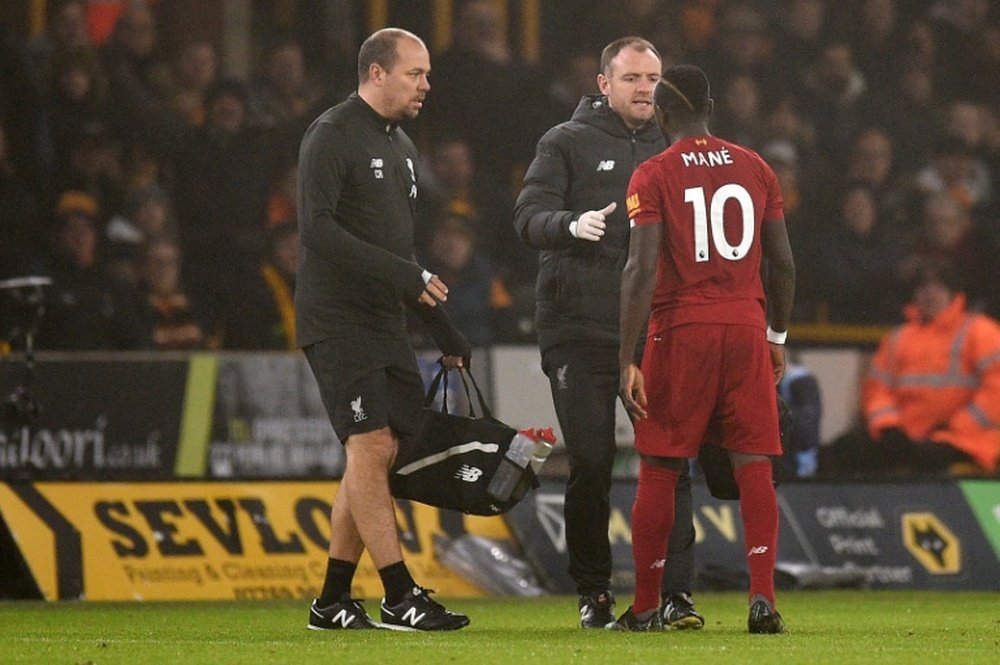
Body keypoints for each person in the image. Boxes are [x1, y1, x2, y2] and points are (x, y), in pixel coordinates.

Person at [513, 37, 704, 630]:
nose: (645, 88)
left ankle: (677, 596)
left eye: (652, 79)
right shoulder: (563, 142)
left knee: (671, 462)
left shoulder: (670, 146)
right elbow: (525, 218)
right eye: (632, 79)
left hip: (653, 332)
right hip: (578, 327)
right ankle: (594, 591)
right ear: (603, 84)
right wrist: (571, 223)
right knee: (592, 461)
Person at [295, 28, 471, 632]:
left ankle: (332, 601)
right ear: (376, 73)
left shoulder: (400, 145)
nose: (426, 84)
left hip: (385, 322)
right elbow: (315, 229)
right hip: (338, 320)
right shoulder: (331, 134)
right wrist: (403, 273)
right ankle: (399, 593)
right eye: (414, 73)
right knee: (369, 448)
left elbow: (401, 252)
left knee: (378, 453)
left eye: (425, 74)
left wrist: (443, 328)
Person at [617, 64, 795, 633]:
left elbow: (641, 269)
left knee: (662, 466)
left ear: (662, 115)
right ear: (710, 108)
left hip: (681, 329)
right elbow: (784, 264)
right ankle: (762, 599)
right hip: (747, 328)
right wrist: (776, 336)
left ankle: (646, 606)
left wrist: (628, 356)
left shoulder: (653, 172)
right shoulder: (757, 167)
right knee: (753, 465)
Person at [819, 260, 1000, 477]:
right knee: (845, 448)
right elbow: (877, 391)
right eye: (923, 288)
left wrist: (955, 426)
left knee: (927, 459)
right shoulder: (898, 338)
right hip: (905, 435)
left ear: (953, 292)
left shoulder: (980, 332)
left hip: (964, 438)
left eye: (938, 288)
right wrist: (888, 427)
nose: (930, 295)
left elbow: (995, 390)